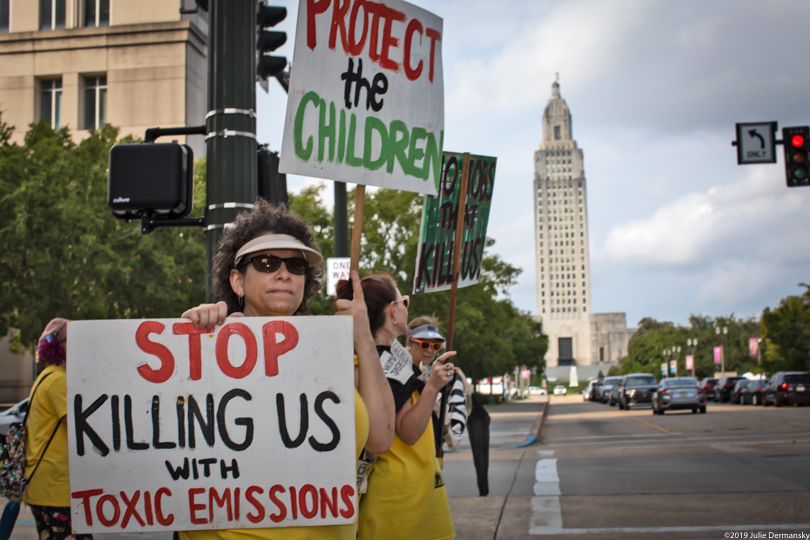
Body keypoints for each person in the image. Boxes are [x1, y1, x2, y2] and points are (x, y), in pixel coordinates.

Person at [179, 200, 394, 540]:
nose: (283, 273)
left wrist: (364, 338)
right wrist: (190, 339)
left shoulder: (330, 353)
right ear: (237, 281)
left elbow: (381, 438)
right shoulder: (206, 345)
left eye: (296, 265)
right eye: (266, 263)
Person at [338, 274, 455, 540]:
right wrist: (432, 387)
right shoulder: (382, 365)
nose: (405, 307)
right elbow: (408, 432)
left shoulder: (375, 359)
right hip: (400, 499)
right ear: (392, 310)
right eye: (404, 301)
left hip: (407, 491)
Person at [24, 318, 93, 540]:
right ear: (61, 346)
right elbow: (79, 429)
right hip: (57, 490)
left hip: (43, 487)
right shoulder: (59, 381)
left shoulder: (46, 376)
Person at [406, 316, 472, 453]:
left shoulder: (426, 374)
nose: (430, 350)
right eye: (424, 344)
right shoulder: (401, 375)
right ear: (409, 342)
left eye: (436, 346)